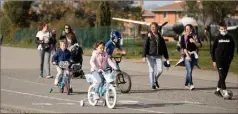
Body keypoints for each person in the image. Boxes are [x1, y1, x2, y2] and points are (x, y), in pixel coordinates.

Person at [142, 22, 170, 90]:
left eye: (154, 27)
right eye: (151, 27)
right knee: (151, 70)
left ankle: (155, 79)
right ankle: (152, 85)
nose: (153, 28)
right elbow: (145, 46)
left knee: (160, 70)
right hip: (150, 56)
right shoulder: (148, 35)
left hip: (158, 56)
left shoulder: (160, 36)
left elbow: (164, 47)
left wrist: (166, 57)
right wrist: (144, 56)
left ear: (157, 28)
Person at [211, 22, 235, 97]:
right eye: (222, 29)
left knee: (223, 75)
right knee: (221, 75)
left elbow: (232, 49)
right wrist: (214, 60)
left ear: (226, 28)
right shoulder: (217, 37)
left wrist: (231, 58)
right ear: (219, 29)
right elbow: (212, 50)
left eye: (224, 28)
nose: (223, 30)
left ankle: (218, 90)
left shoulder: (230, 38)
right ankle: (225, 91)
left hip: (227, 60)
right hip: (219, 59)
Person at [180, 24, 202, 90]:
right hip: (186, 55)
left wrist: (194, 42)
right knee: (189, 70)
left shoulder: (195, 36)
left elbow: (200, 45)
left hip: (194, 55)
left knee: (189, 71)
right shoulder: (183, 37)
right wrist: (187, 55)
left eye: (188, 29)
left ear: (191, 30)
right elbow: (183, 47)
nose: (187, 30)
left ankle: (186, 84)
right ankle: (191, 84)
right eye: (186, 29)